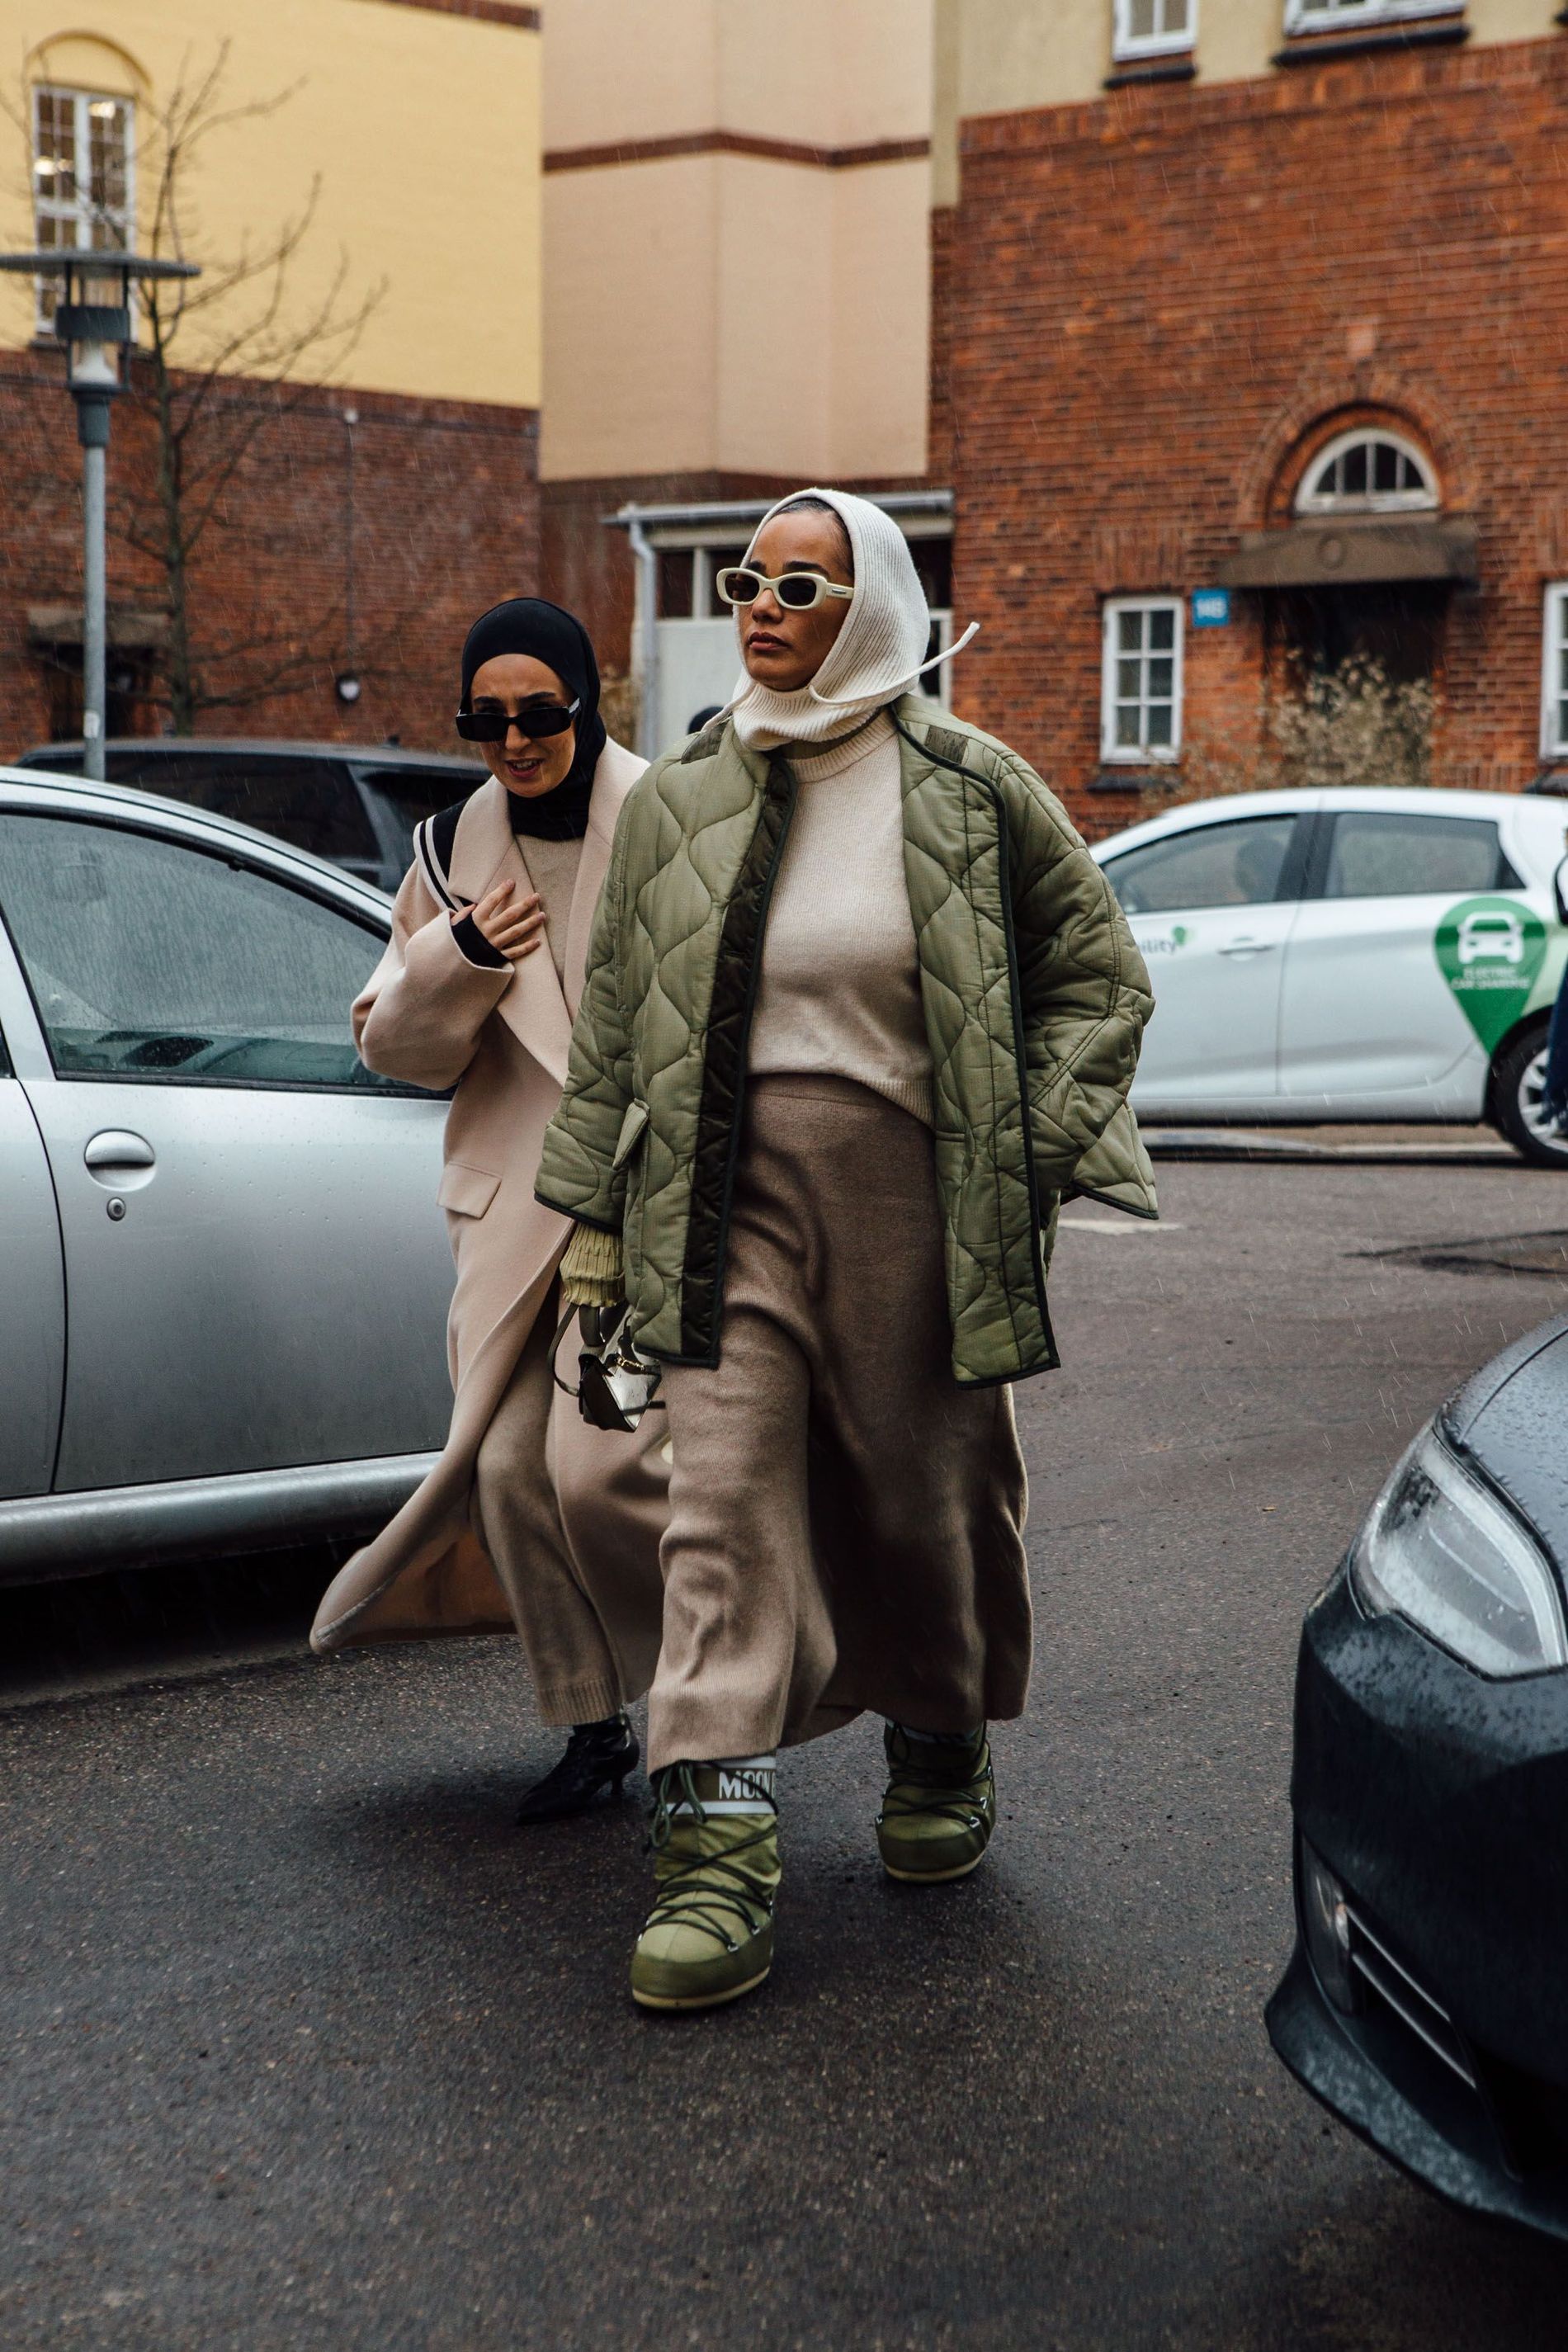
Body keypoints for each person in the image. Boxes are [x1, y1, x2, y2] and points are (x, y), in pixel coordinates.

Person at [540, 489, 1156, 2009]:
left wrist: (1028, 1149)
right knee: (723, 1503)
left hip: (915, 1193)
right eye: (746, 578)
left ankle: (939, 1729)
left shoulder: (967, 782)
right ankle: (715, 1848)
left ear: (869, 603)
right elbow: (615, 1032)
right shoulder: (682, 797)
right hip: (718, 1191)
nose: (759, 603)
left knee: (920, 1498)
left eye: (798, 584)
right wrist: (597, 1239)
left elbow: (1101, 974)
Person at [311, 598, 668, 1823]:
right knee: (515, 1468)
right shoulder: (446, 851)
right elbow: (390, 1048)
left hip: (643, 1220)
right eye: (486, 719)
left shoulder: (669, 820)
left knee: (608, 1467)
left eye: (539, 715)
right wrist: (456, 952)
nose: (513, 741)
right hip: (516, 1222)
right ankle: (593, 1721)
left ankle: (705, 1720)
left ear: (585, 702)